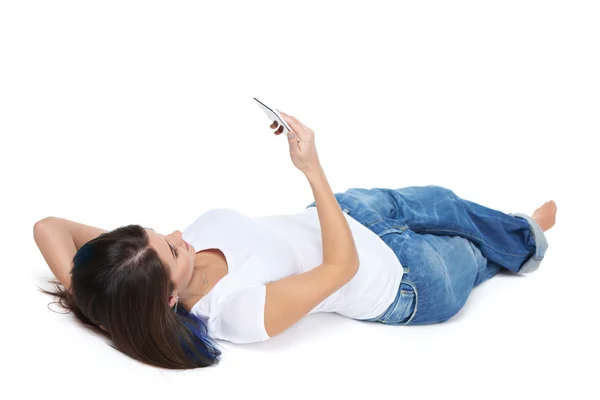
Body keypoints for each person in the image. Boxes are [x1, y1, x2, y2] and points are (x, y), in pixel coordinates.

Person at [34, 111, 557, 370]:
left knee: (447, 200)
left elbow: (48, 227)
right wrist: (311, 168)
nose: (176, 236)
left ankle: (519, 231)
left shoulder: (137, 271)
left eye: (159, 232)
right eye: (170, 249)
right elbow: (340, 271)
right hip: (404, 281)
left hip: (348, 214)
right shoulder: (236, 311)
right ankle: (526, 239)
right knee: (474, 254)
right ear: (168, 298)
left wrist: (95, 299)